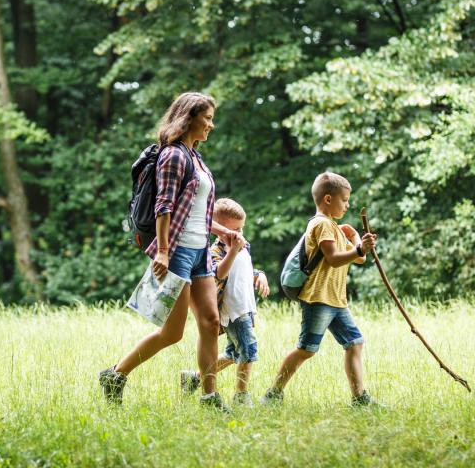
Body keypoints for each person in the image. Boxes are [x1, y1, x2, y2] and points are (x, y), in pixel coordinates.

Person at [99, 92, 236, 410]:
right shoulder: (173, 155)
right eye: (207, 118)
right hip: (176, 250)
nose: (211, 125)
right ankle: (116, 374)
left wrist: (223, 231)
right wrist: (161, 250)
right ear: (189, 116)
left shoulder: (196, 157)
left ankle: (209, 396)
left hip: (200, 250)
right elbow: (164, 206)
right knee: (173, 333)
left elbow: (198, 209)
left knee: (211, 322)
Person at [261, 172, 378, 406]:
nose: (348, 204)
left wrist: (356, 238)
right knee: (306, 349)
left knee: (354, 343)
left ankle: (359, 399)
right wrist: (359, 249)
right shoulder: (321, 225)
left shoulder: (333, 227)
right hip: (318, 299)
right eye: (344, 200)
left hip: (336, 301)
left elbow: (359, 259)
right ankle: (273, 394)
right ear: (327, 199)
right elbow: (335, 258)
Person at [180, 198, 269, 406]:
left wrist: (259, 274)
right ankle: (241, 395)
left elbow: (244, 270)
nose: (240, 234)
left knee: (232, 352)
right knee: (248, 350)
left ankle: (194, 377)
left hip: (246, 306)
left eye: (241, 228)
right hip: (231, 309)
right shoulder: (215, 251)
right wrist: (232, 250)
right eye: (234, 230)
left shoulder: (244, 246)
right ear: (219, 231)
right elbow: (219, 273)